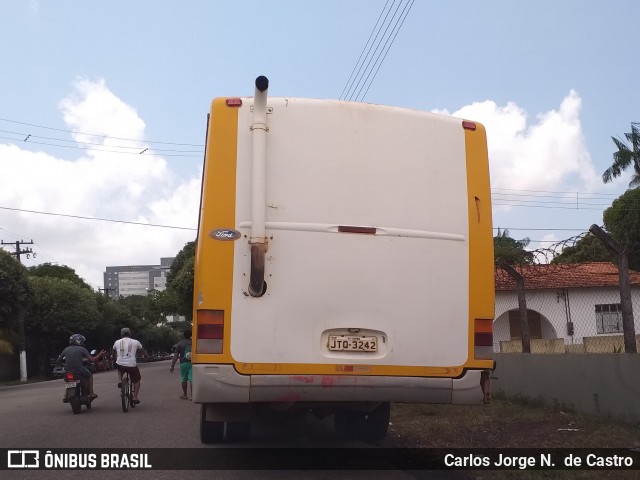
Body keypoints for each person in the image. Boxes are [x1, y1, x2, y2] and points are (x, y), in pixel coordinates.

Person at [55, 334, 105, 401]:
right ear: (79, 341)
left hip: (68, 370)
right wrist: (100, 354)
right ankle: (91, 393)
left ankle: (65, 396)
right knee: (90, 375)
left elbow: (58, 361)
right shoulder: (82, 349)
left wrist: (64, 365)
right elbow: (92, 360)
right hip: (79, 369)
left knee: (68, 381)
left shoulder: (66, 349)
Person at [112, 327, 146, 404]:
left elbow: (113, 351)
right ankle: (135, 397)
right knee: (137, 380)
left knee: (119, 366)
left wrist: (114, 357)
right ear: (130, 334)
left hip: (120, 364)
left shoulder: (117, 342)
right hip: (132, 365)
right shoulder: (136, 342)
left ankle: (120, 380)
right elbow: (142, 351)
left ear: (121, 334)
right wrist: (144, 355)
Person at [170, 329, 192, 400]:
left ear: (183, 335)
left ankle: (185, 395)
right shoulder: (194, 343)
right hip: (193, 363)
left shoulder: (180, 344)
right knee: (192, 380)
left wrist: (172, 366)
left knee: (184, 379)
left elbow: (176, 355)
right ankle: (193, 396)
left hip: (183, 363)